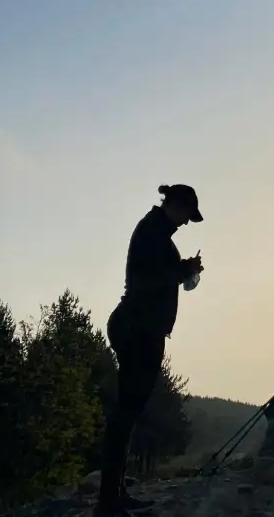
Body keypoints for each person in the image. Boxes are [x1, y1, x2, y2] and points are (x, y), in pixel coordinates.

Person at [96, 184, 204, 516]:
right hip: (137, 329)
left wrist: (181, 268)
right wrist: (182, 271)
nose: (187, 222)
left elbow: (153, 273)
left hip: (139, 328)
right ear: (175, 205)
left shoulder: (156, 233)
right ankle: (108, 500)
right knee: (124, 415)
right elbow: (147, 281)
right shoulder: (151, 233)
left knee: (127, 414)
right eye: (187, 214)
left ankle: (115, 491)